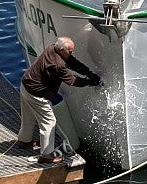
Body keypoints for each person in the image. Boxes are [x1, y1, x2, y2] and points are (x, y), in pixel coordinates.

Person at [17, 36, 102, 164]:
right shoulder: (57, 65)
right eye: (70, 51)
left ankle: (24, 141)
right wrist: (90, 82)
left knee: (28, 115)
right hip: (37, 94)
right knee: (49, 122)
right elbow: (72, 81)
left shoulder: (52, 48)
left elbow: (71, 61)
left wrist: (87, 71)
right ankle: (46, 155)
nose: (72, 53)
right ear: (62, 50)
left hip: (26, 86)